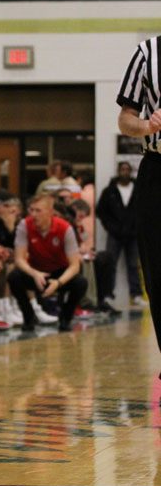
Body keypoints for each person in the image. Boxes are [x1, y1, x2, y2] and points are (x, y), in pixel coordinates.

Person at [117, 38, 161, 352]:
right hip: (158, 169)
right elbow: (125, 119)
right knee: (157, 269)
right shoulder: (147, 52)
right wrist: (146, 125)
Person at [8, 193, 87, 332]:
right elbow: (19, 259)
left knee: (81, 283)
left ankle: (66, 318)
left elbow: (75, 265)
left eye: (38, 210)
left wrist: (58, 282)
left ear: (50, 212)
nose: (33, 214)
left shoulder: (65, 228)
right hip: (36, 271)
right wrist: (34, 273)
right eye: (31, 210)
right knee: (14, 277)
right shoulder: (24, 225)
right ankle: (28, 316)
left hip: (59, 272)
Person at [96, 161, 144, 307]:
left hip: (133, 234)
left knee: (133, 265)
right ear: (118, 171)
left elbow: (144, 210)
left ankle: (136, 295)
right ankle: (108, 294)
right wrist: (110, 227)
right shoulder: (109, 191)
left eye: (127, 169)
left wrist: (137, 228)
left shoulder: (139, 189)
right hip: (115, 233)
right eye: (122, 169)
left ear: (131, 171)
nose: (124, 172)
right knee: (110, 264)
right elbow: (101, 211)